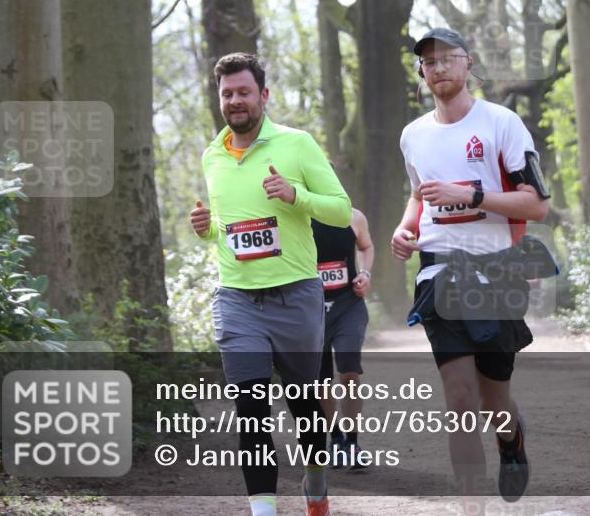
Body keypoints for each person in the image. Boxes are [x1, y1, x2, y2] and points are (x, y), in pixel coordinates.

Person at [390, 28, 550, 504]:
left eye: (446, 59)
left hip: (496, 269)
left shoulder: (501, 124)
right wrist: (405, 228)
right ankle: (471, 508)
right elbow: (419, 195)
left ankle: (511, 441)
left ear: (467, 63)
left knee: (493, 401)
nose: (437, 68)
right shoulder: (412, 135)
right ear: (422, 72)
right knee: (459, 400)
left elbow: (536, 205)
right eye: (428, 62)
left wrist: (472, 195)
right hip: (439, 270)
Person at [190, 52, 351, 516]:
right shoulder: (212, 155)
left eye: (243, 92)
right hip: (237, 298)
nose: (235, 101)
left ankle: (316, 486)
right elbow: (228, 228)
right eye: (227, 94)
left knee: (304, 407)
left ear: (264, 95)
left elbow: (341, 209)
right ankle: (264, 511)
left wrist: (295, 195)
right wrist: (208, 227)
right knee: (251, 407)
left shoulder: (296, 145)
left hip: (296, 294)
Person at [313, 207, 373, 468]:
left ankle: (352, 442)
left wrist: (365, 273)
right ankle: (335, 438)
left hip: (349, 306)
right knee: (321, 382)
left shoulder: (353, 216)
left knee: (349, 373)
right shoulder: (296, 219)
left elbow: (367, 246)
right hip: (310, 311)